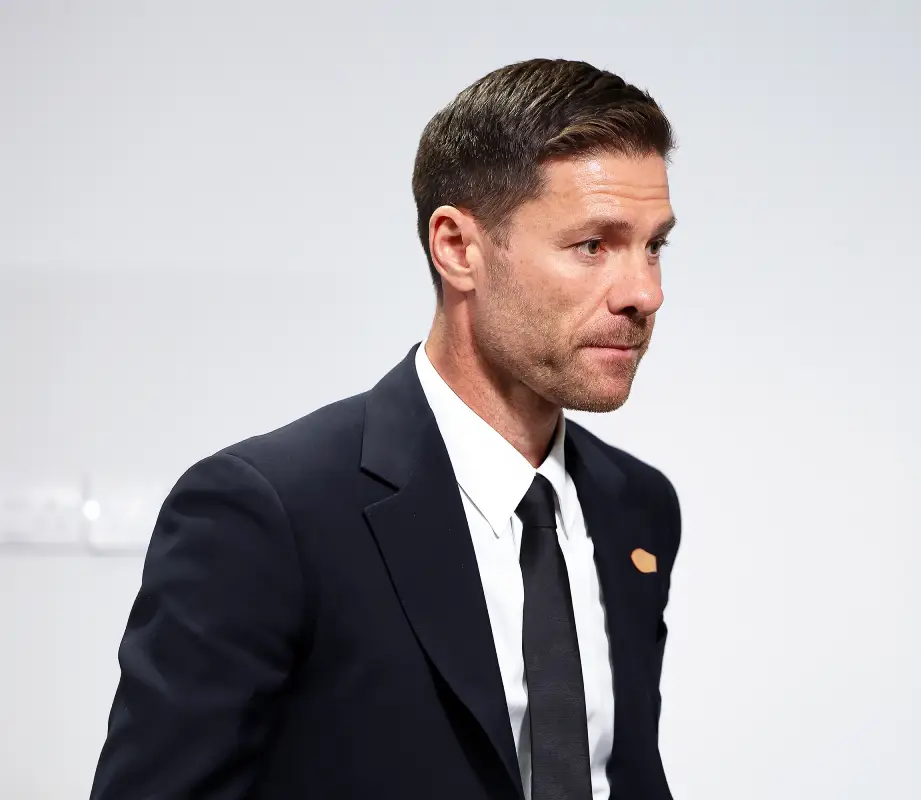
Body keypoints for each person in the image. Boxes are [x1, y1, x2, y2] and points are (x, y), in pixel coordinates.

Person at [90, 58, 681, 800]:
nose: (644, 292)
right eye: (594, 245)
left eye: (654, 244)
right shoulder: (271, 513)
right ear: (458, 248)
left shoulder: (638, 506)